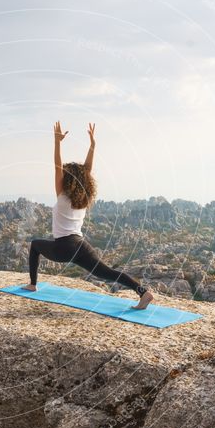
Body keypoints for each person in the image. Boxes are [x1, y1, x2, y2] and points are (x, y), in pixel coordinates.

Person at [23, 121, 154, 310]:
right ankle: (142, 292)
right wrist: (93, 146)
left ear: (67, 179)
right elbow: (87, 169)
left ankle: (33, 284)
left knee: (35, 244)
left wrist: (57, 142)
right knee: (106, 272)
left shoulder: (62, 195)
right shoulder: (83, 198)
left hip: (63, 247)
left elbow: (56, 166)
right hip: (81, 245)